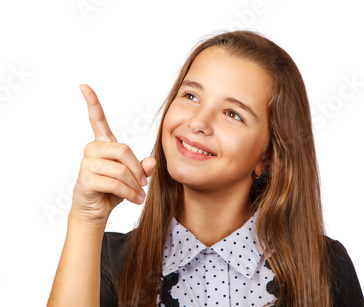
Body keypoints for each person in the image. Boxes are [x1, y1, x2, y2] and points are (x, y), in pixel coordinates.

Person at [47, 30, 364, 307]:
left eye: (233, 114)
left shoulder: (326, 267)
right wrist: (86, 219)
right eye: (190, 95)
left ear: (268, 157)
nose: (197, 122)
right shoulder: (110, 261)